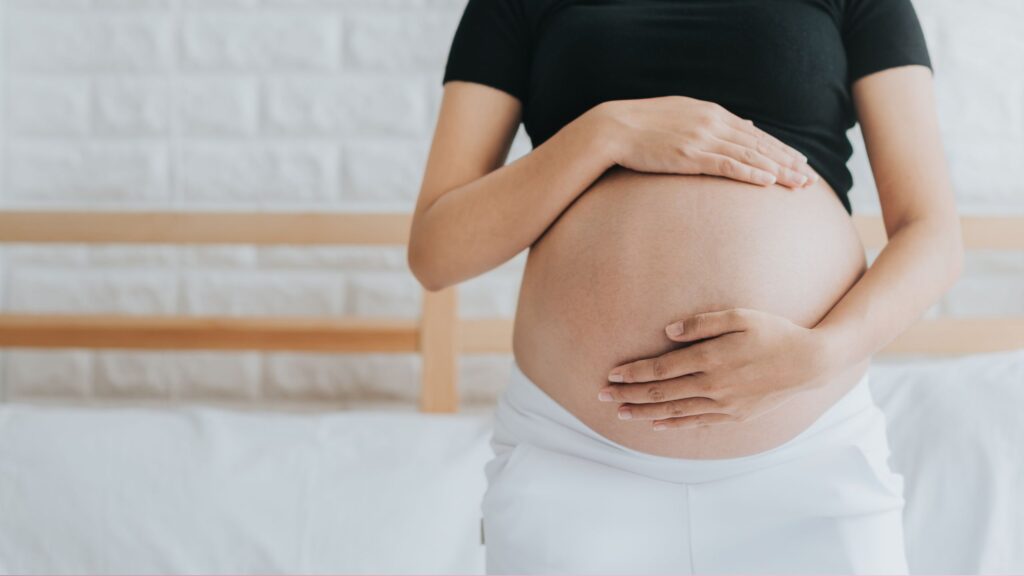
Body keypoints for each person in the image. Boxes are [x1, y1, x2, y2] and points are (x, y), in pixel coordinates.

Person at [408, 0, 964, 573]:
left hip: (811, 457)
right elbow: (436, 252)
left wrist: (825, 354)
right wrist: (606, 132)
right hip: (574, 459)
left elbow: (933, 234)